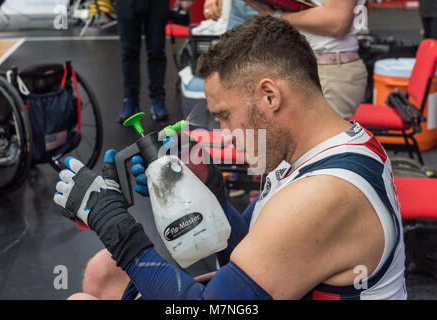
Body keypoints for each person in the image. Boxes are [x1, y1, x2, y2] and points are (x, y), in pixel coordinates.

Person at [54, 16, 406, 300]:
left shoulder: (323, 194)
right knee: (104, 271)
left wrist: (114, 225)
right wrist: (212, 194)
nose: (222, 132)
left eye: (223, 115)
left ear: (269, 96)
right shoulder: (320, 147)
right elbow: (252, 249)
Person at [203, 0, 368, 120]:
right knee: (275, 156)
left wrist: (275, 15)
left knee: (310, 157)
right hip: (291, 66)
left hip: (328, 70)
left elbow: (336, 22)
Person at [115, 0, 169, 123]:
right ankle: (130, 100)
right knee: (129, 52)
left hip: (156, 4)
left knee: (156, 51)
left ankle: (158, 99)